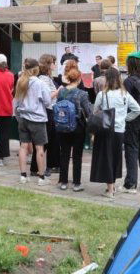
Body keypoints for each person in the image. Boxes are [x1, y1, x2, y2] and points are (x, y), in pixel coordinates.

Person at [91, 67, 140, 199]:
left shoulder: (102, 94)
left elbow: (95, 111)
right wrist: (125, 118)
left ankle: (110, 189)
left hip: (106, 128)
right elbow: (137, 110)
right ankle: (112, 186)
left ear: (106, 79)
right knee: (115, 158)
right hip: (120, 130)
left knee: (107, 158)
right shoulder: (125, 94)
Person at [13, 58, 52, 185]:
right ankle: (41, 177)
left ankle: (23, 175)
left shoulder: (20, 81)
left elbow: (16, 101)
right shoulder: (40, 83)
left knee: (23, 146)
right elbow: (47, 102)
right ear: (36, 69)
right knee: (39, 148)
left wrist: (18, 114)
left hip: (23, 118)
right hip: (37, 119)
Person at [56, 63, 93, 192]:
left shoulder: (61, 92)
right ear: (79, 79)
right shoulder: (82, 94)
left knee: (64, 154)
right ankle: (77, 183)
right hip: (78, 127)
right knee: (77, 156)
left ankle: (63, 182)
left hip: (62, 126)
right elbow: (88, 112)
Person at [121, 51, 140, 193]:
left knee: (131, 149)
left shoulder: (128, 81)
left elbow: (125, 102)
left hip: (132, 119)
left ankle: (130, 184)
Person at [31, 54, 59, 178]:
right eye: (53, 62)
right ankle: (36, 167)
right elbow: (47, 98)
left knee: (50, 139)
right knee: (43, 140)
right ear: (48, 64)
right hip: (47, 111)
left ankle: (48, 165)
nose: (55, 64)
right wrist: (59, 91)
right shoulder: (43, 79)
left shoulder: (48, 77)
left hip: (50, 110)